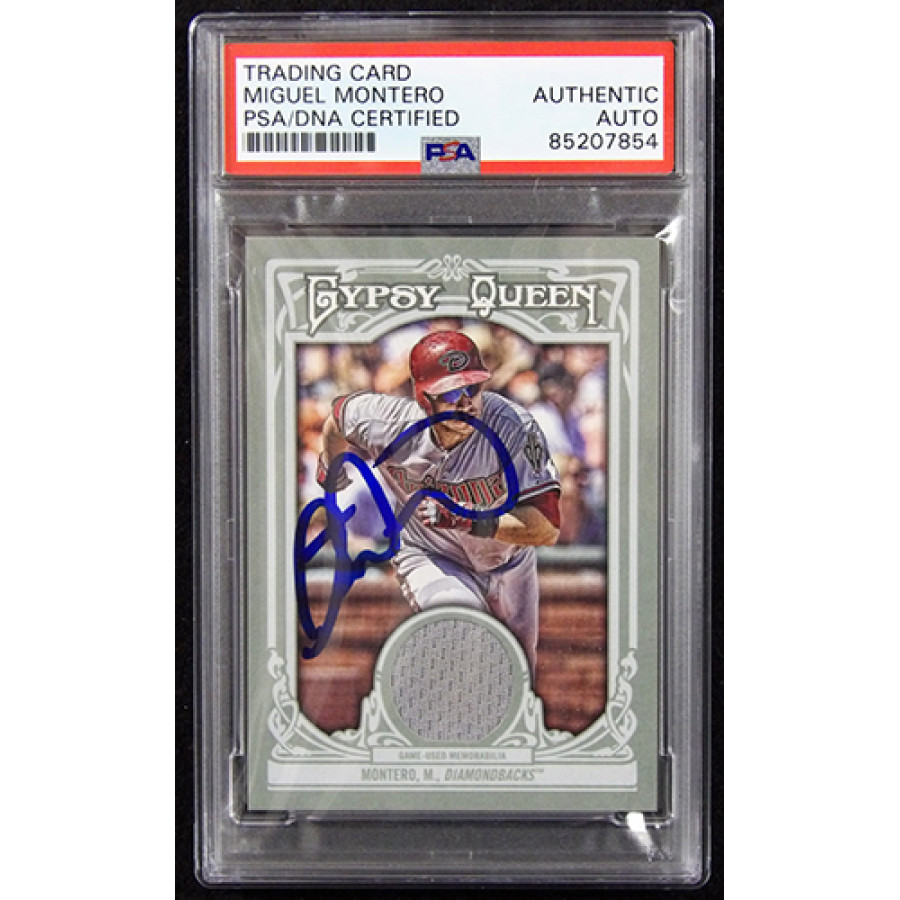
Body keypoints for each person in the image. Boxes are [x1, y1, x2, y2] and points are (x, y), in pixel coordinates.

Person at [315, 330, 561, 673]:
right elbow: (339, 418)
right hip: (430, 553)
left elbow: (547, 528)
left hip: (508, 560)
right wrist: (330, 464)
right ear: (424, 398)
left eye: (473, 388)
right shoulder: (388, 422)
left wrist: (465, 519)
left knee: (516, 672)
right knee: (464, 625)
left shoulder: (514, 427)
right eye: (452, 392)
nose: (466, 402)